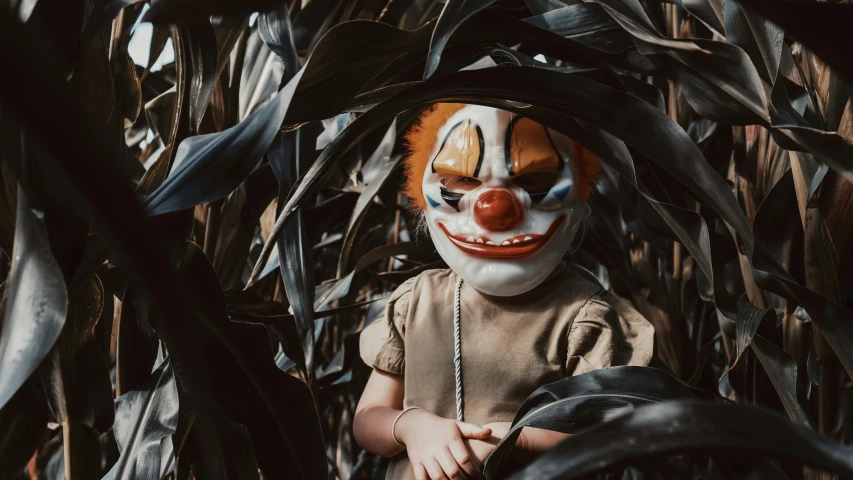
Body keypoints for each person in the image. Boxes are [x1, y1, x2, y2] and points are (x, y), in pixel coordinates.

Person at [354, 104, 655, 480]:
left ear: (579, 194)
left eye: (534, 180)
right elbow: (368, 421)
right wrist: (412, 426)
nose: (494, 209)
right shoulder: (416, 302)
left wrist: (511, 441)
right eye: (463, 179)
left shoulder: (585, 316)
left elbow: (610, 439)